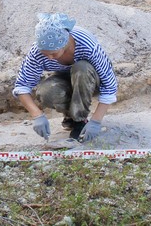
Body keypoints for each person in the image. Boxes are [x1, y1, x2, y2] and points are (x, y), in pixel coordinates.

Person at [13, 13, 118, 142]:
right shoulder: (37, 52)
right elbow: (22, 85)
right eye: (45, 54)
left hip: (90, 79)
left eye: (53, 53)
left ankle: (79, 121)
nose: (49, 58)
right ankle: (71, 117)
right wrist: (37, 115)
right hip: (66, 77)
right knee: (47, 91)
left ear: (64, 43)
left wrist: (96, 121)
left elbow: (109, 85)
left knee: (81, 68)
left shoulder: (87, 46)